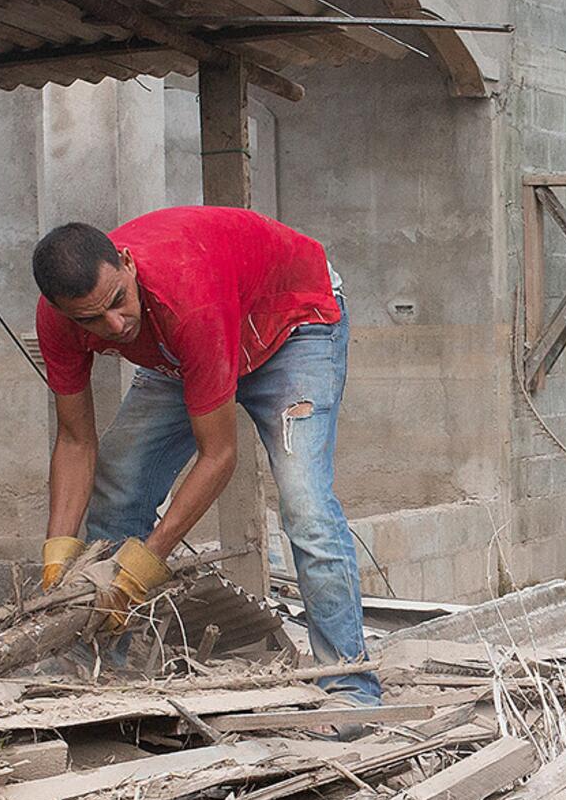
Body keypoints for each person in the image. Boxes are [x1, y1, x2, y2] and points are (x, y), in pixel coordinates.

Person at [31, 207, 377, 707]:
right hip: (183, 348)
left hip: (290, 324)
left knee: (306, 507)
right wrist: (57, 552)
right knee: (119, 483)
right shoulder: (60, 320)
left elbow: (220, 456)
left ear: (127, 264)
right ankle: (101, 667)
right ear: (63, 311)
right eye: (91, 319)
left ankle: (350, 686)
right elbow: (76, 441)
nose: (114, 324)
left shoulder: (184, 294)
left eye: (118, 302)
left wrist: (146, 563)